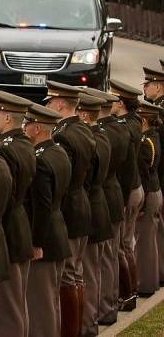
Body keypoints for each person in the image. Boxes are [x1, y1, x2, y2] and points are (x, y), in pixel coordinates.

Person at [43, 81, 96, 337]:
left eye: (50, 103)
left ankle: (71, 331)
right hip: (82, 203)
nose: (49, 107)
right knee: (76, 274)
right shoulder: (84, 130)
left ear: (61, 104)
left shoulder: (63, 134)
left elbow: (60, 176)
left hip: (70, 210)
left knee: (68, 278)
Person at [0, 90, 35, 337]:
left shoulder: (5, 150)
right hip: (21, 225)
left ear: (8, 118)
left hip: (9, 229)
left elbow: (4, 194)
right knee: (17, 303)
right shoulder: (24, 143)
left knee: (8, 307)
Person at [23, 104, 72, 337]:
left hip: (46, 238)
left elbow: (42, 206)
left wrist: (36, 243)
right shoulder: (58, 152)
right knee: (51, 301)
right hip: (58, 231)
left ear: (37, 128)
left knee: (41, 304)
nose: (24, 129)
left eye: (27, 124)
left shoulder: (40, 160)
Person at [83, 87, 124, 326]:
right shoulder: (112, 132)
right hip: (110, 198)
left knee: (94, 267)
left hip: (101, 202)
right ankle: (105, 308)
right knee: (105, 261)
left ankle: (95, 316)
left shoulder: (97, 138)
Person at [76, 93, 114, 337]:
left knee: (88, 272)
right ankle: (96, 316)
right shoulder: (101, 136)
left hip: (93, 207)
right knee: (94, 269)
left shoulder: (92, 140)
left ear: (83, 114)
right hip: (100, 206)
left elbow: (87, 181)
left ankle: (89, 325)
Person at [109, 79, 145, 312]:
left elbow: (127, 167)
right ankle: (131, 292)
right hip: (134, 189)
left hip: (128, 190)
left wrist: (121, 201)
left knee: (122, 246)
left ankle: (127, 294)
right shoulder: (132, 123)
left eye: (113, 99)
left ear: (120, 103)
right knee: (127, 245)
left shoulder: (125, 128)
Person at [134, 100, 163, 296]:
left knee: (144, 242)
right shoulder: (152, 137)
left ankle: (144, 284)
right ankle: (153, 279)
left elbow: (144, 174)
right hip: (155, 190)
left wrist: (141, 202)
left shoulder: (146, 141)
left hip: (150, 192)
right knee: (150, 240)